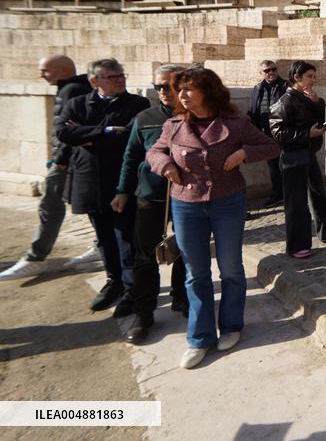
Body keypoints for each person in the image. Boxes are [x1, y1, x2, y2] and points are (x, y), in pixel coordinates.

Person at [146, 67, 279, 369]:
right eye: (179, 89)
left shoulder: (236, 122)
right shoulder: (174, 125)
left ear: (209, 91)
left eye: (189, 88)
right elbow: (154, 151)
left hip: (228, 202)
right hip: (186, 204)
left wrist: (244, 152)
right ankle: (199, 337)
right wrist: (165, 164)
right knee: (196, 273)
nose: (182, 95)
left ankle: (231, 326)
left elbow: (271, 146)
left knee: (231, 268)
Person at [55, 59, 150, 313]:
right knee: (104, 238)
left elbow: (129, 138)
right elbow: (63, 133)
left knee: (126, 237)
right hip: (89, 182)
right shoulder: (78, 103)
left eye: (122, 75)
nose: (120, 79)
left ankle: (132, 289)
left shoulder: (138, 104)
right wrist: (106, 130)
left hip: (121, 182)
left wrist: (86, 135)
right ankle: (114, 282)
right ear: (94, 81)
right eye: (113, 77)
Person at [110, 65, 189, 344]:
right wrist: (122, 191)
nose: (164, 92)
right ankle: (144, 313)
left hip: (186, 196)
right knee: (144, 256)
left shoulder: (196, 115)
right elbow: (131, 157)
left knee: (185, 250)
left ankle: (182, 296)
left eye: (169, 86)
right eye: (158, 87)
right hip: (150, 197)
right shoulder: (144, 118)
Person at [0, 56, 93, 281]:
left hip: (67, 160)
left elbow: (70, 128)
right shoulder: (72, 88)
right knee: (86, 202)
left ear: (62, 70)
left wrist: (59, 159)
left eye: (45, 71)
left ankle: (36, 258)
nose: (41, 75)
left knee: (50, 205)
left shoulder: (72, 90)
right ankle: (100, 244)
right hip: (69, 159)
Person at [269, 61, 326, 257]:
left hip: (308, 152)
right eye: (309, 76)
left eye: (314, 76)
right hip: (293, 156)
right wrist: (306, 134)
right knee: (296, 202)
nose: (313, 80)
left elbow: (325, 117)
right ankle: (297, 246)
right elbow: (278, 131)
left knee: (318, 193)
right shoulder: (285, 101)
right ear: (297, 78)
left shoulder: (308, 97)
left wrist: (317, 103)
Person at [247, 60, 287, 207]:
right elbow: (253, 110)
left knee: (286, 165)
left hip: (283, 133)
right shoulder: (257, 88)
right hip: (266, 134)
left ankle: (290, 193)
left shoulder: (285, 86)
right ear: (261, 73)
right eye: (267, 71)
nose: (271, 73)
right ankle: (278, 194)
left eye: (273, 69)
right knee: (273, 167)